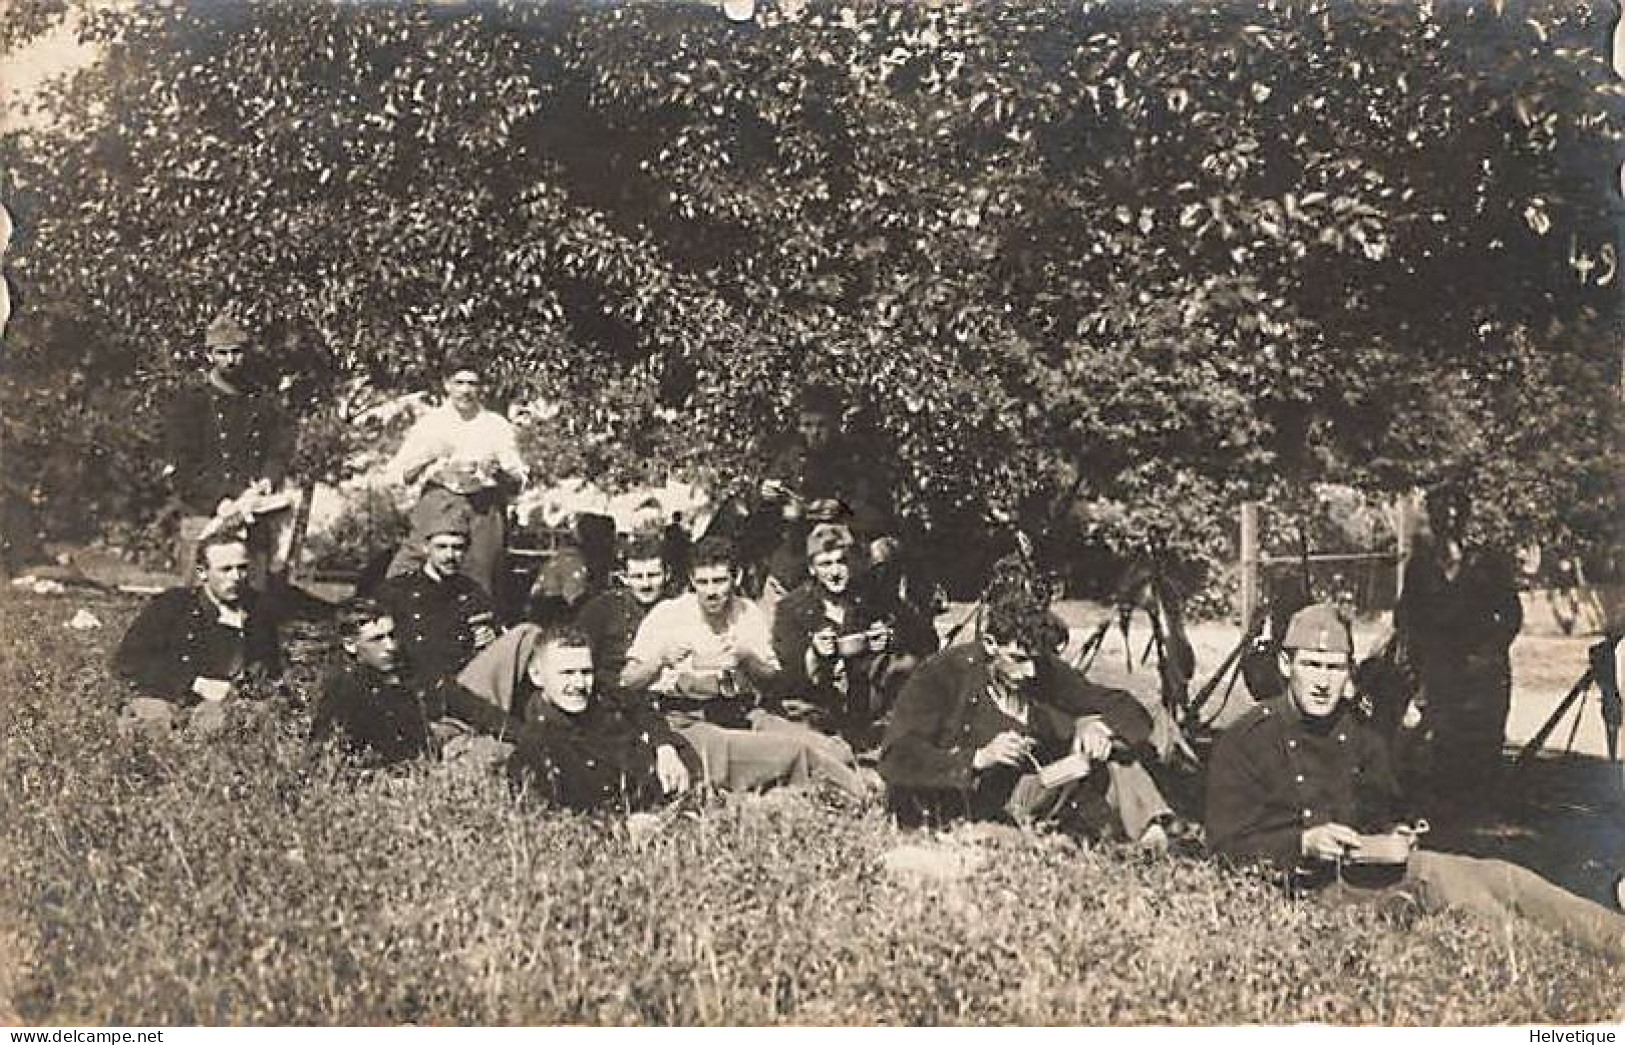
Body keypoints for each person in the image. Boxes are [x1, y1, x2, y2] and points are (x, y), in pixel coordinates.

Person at [1206, 603, 1625, 961]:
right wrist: (1303, 843)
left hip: (1367, 873)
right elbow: (1225, 847)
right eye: (1311, 665)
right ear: (1285, 665)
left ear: (1348, 672)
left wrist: (1399, 832)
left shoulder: (1359, 733)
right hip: (1310, 891)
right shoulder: (1247, 741)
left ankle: (1613, 936)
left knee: (1502, 875)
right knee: (1450, 885)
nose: (1322, 681)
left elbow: (1388, 806)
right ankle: (1543, 954)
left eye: (1334, 668)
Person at [878, 588, 1175, 842]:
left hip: (1035, 788)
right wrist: (978, 758)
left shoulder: (1038, 668)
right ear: (991, 645)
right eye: (1018, 660)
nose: (1029, 672)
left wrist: (1099, 726)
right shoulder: (942, 675)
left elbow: (1121, 704)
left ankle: (1153, 837)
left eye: (1035, 660)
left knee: (1118, 754)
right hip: (967, 802)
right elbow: (896, 757)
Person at [620, 536, 873, 798]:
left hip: (741, 711)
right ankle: (865, 795)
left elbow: (774, 683)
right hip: (688, 720)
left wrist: (747, 658)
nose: (711, 592)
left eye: (719, 581)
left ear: (736, 577)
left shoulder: (747, 612)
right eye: (702, 582)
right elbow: (627, 682)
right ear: (691, 580)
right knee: (793, 752)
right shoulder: (669, 614)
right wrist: (660, 659)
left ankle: (857, 780)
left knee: (834, 749)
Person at [1394, 491, 1523, 801]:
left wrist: (1490, 650)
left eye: (1455, 516)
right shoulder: (1421, 566)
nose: (1449, 523)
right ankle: (1450, 809)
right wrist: (1419, 656)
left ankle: (1485, 801)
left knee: (1486, 735)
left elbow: (1511, 614)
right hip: (1442, 668)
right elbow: (1406, 615)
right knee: (1445, 738)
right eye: (1441, 516)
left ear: (1465, 518)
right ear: (1433, 519)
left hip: (1484, 669)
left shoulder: (1487, 561)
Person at [163, 311, 295, 588]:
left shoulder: (260, 399)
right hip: (204, 512)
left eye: (236, 352)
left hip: (252, 509)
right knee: (199, 599)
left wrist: (268, 480)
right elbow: (181, 466)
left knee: (253, 594)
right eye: (222, 353)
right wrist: (217, 500)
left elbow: (279, 448)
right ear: (209, 354)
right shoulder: (192, 401)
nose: (230, 360)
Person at [506, 624, 699, 812]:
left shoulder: (602, 692)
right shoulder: (537, 744)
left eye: (586, 672)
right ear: (537, 676)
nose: (579, 683)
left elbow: (641, 708)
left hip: (678, 764)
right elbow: (558, 817)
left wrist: (664, 747)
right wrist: (623, 825)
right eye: (567, 673)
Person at [771, 522, 925, 747]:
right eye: (825, 564)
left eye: (841, 562)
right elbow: (789, 676)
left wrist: (889, 638)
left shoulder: (868, 597)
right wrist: (813, 652)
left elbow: (921, 638)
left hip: (865, 701)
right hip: (816, 704)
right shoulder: (792, 608)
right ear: (812, 569)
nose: (835, 572)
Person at [385, 359, 529, 599]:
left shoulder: (496, 425)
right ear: (447, 385)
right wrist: (430, 458)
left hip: (483, 507)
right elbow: (399, 474)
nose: (465, 390)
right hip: (439, 501)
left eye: (472, 383)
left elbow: (518, 479)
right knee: (405, 571)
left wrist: (499, 472)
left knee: (479, 580)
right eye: (459, 383)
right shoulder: (431, 423)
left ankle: (474, 631)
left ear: (481, 388)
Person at [113, 531, 282, 735]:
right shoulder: (173, 605)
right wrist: (195, 683)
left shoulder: (258, 611)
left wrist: (244, 691)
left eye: (242, 568)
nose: (236, 577)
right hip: (169, 695)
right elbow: (129, 661)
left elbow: (270, 669)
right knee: (153, 719)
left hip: (226, 704)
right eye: (225, 570)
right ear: (202, 573)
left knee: (249, 717)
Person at [377, 498, 498, 690]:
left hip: (461, 687)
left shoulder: (474, 593)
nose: (450, 556)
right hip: (410, 687)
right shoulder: (397, 591)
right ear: (426, 548)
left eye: (457, 548)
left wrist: (491, 639)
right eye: (441, 547)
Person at [307, 599, 434, 768]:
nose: (391, 646)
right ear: (350, 645)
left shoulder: (395, 680)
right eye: (377, 639)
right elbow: (322, 758)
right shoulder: (344, 690)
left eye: (392, 635)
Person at [575, 533, 670, 693]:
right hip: (614, 700)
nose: (646, 584)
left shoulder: (677, 609)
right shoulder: (601, 609)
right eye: (637, 577)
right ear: (624, 578)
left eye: (653, 575)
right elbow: (579, 659)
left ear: (667, 574)